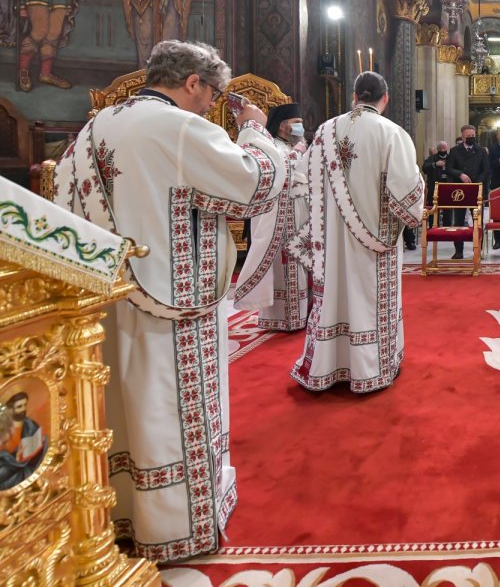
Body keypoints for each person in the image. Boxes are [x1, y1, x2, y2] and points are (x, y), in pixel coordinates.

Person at [53, 39, 285, 561]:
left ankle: (119, 511)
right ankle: (176, 525)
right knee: (167, 407)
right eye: (212, 94)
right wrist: (254, 130)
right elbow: (253, 184)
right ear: (192, 82)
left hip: (107, 297)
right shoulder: (179, 126)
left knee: (122, 406)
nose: (212, 106)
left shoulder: (97, 126)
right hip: (174, 304)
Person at [289, 72, 424, 393]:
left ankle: (329, 366)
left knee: (334, 296)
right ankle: (370, 369)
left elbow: (300, 178)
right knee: (367, 300)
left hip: (330, 242)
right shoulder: (392, 133)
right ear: (385, 98)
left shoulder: (323, 131)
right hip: (372, 245)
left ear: (354, 96)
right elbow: (407, 196)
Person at [234, 103, 310, 331]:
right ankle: (282, 317)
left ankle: (302, 315)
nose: (300, 127)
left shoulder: (295, 145)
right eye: (296, 123)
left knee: (302, 262)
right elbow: (275, 172)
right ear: (282, 125)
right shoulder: (271, 146)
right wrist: (297, 154)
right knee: (285, 263)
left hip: (300, 212)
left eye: (301, 122)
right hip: (280, 215)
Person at [445, 123, 490, 259]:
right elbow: (449, 168)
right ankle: (459, 250)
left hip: (476, 189)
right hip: (460, 191)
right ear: (463, 137)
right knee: (458, 221)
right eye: (468, 136)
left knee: (478, 220)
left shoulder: (481, 150)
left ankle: (478, 249)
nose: (471, 138)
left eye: (473, 136)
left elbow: (486, 170)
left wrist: (477, 183)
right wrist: (460, 175)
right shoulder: (454, 151)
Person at [0, 392, 47, 490]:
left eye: (25, 405)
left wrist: (39, 443)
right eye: (19, 406)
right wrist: (14, 458)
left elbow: (40, 444)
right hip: (7, 465)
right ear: (10, 409)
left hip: (27, 463)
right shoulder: (3, 426)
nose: (23, 409)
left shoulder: (30, 425)